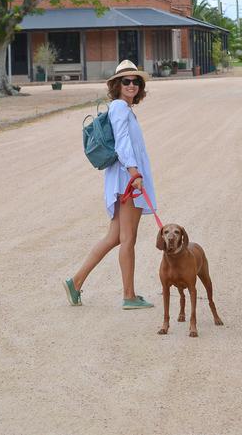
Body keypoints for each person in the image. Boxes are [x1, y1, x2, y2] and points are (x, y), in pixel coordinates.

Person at [63, 60, 157, 310]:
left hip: (125, 179)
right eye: (126, 81)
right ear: (116, 85)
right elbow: (123, 144)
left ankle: (76, 282)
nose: (132, 85)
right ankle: (129, 295)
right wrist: (135, 173)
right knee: (128, 239)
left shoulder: (125, 109)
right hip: (128, 181)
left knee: (114, 237)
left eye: (136, 81)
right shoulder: (119, 108)